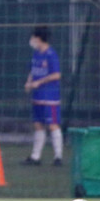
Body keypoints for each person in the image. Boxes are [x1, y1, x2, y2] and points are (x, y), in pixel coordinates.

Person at [22, 26, 62, 166]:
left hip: (50, 97)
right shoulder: (36, 53)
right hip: (37, 96)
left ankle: (58, 157)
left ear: (38, 38)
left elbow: (57, 75)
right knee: (38, 125)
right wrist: (29, 82)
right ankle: (35, 157)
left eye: (33, 37)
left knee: (52, 125)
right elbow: (33, 71)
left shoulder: (51, 54)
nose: (31, 40)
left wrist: (39, 82)